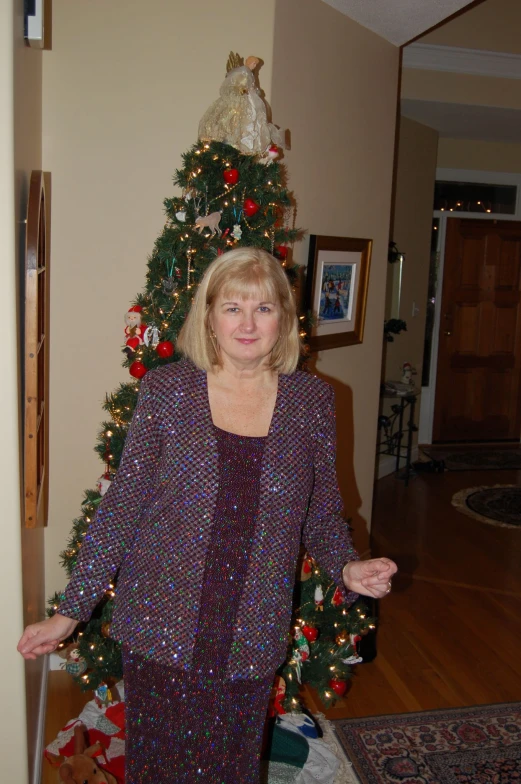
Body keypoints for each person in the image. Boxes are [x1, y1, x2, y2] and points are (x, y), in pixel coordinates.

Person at [18, 248, 397, 783]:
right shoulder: (167, 391)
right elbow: (122, 507)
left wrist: (347, 568)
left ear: (283, 321)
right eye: (232, 307)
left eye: (264, 308)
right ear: (209, 316)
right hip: (160, 623)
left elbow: (322, 514)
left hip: (250, 629)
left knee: (231, 769)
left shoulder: (312, 401)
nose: (247, 323)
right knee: (159, 769)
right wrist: (71, 611)